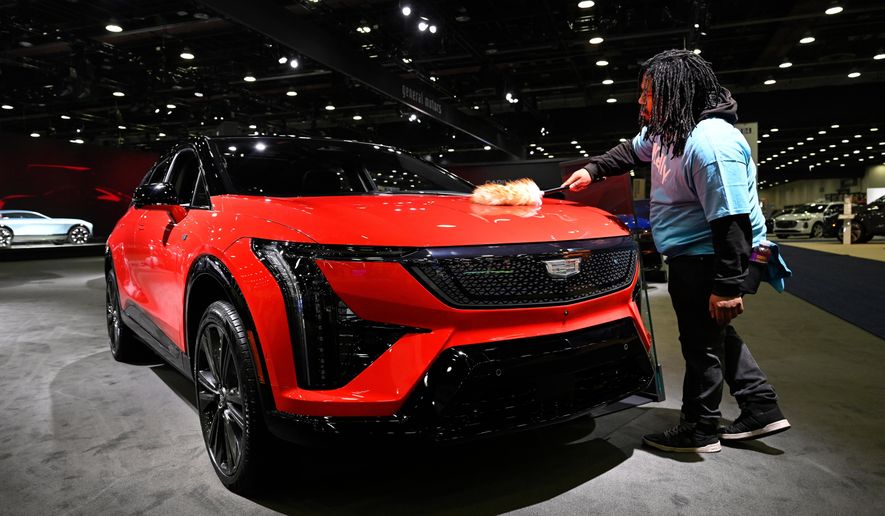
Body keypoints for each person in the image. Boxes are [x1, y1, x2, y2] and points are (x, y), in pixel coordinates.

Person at [562, 49, 790, 453]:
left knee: (700, 342)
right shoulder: (668, 131)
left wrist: (727, 286)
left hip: (716, 254)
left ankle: (699, 429)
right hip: (696, 253)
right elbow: (631, 151)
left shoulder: (710, 143)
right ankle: (761, 406)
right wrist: (593, 169)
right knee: (713, 334)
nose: (641, 101)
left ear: (676, 93)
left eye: (649, 93)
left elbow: (731, 222)